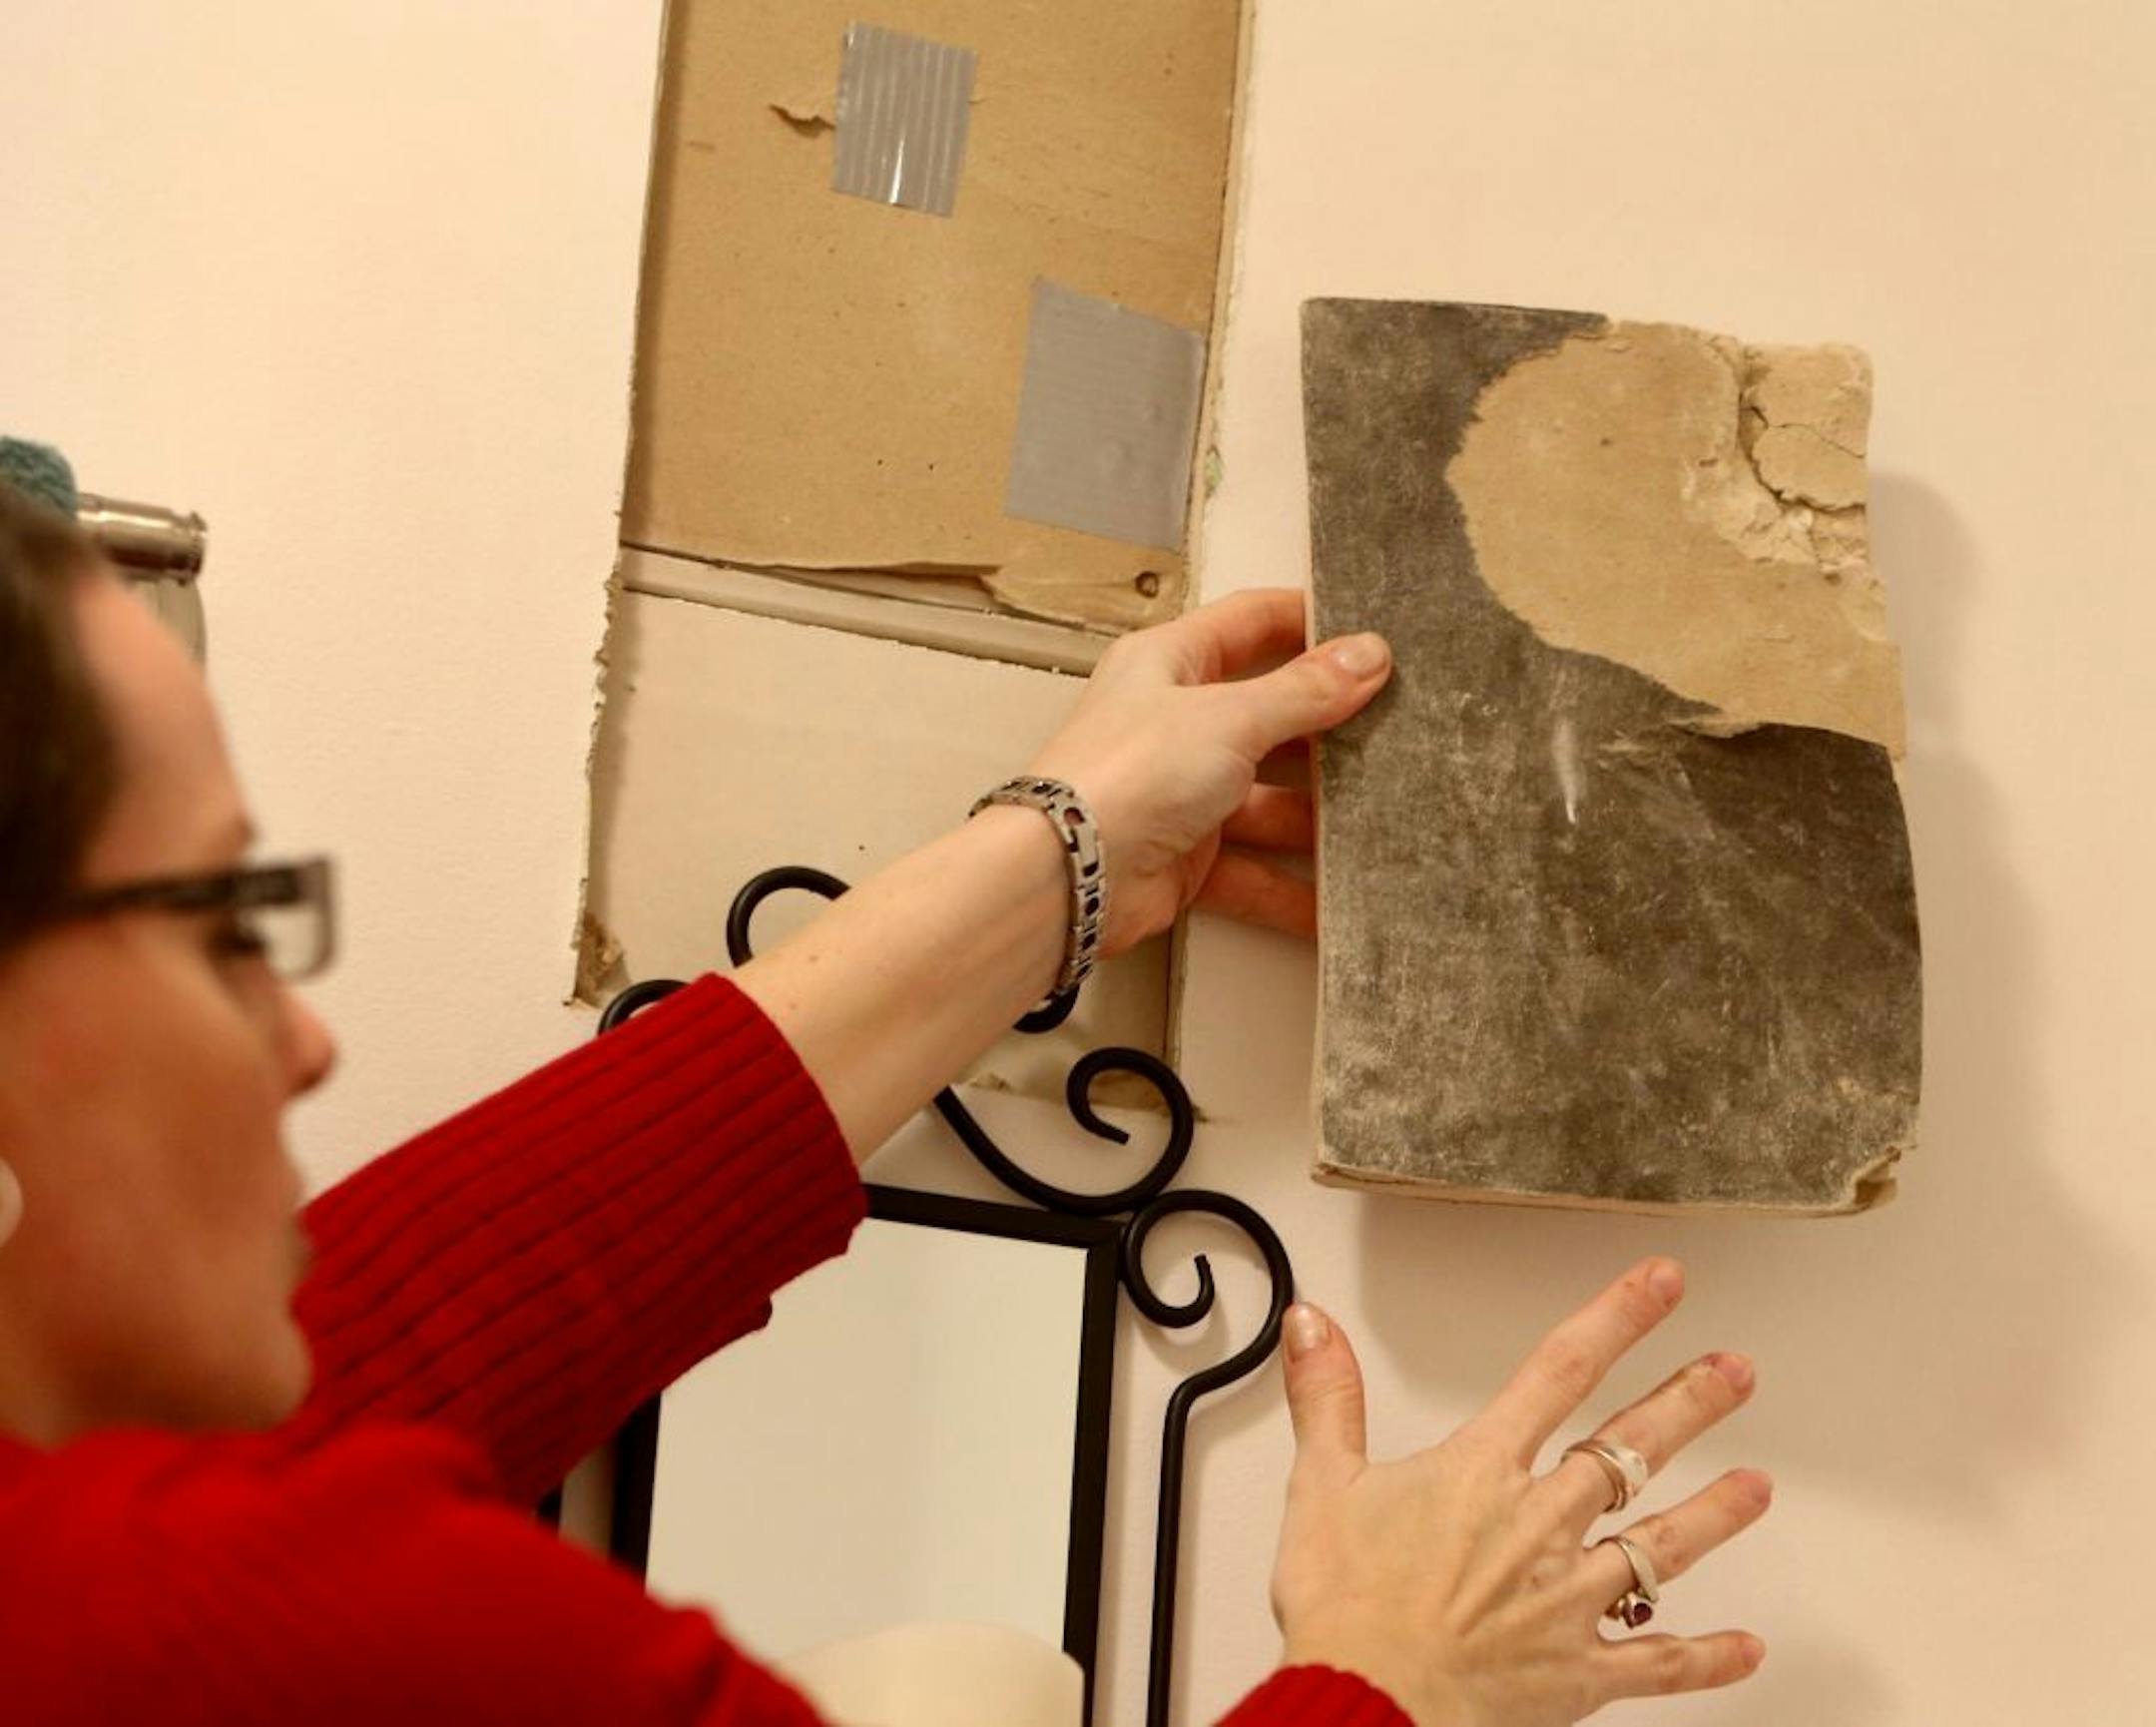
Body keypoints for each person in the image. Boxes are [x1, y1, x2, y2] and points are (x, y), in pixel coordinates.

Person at [0, 478, 1769, 1725]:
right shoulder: (230, 1630)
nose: (298, 1041)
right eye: (216, 922)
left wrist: (1061, 856)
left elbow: (348, 1372)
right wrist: (1396, 1682)